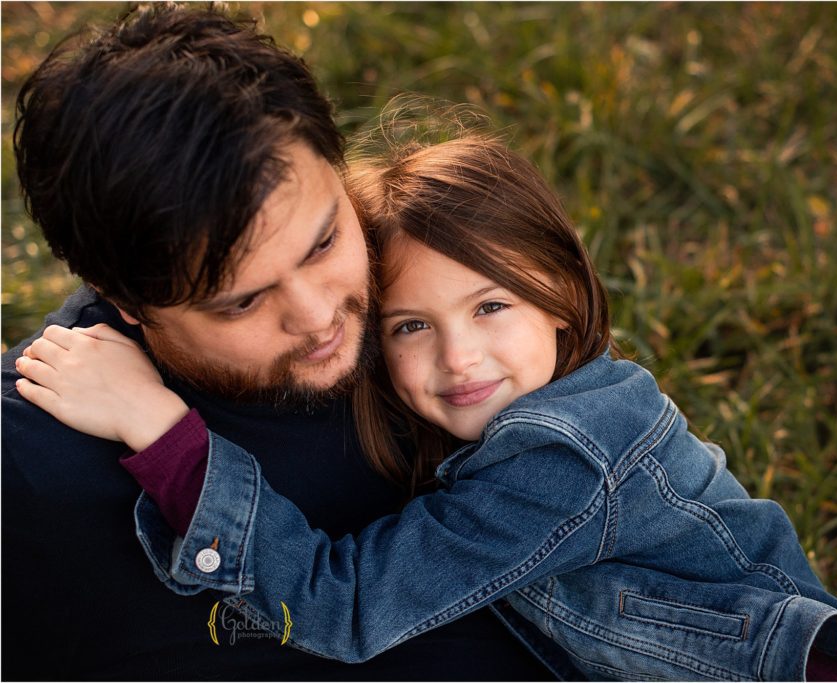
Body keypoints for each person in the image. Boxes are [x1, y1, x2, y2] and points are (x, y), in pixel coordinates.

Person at [15, 130, 837, 681]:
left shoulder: (564, 453)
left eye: (491, 306)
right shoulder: (501, 406)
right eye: (407, 325)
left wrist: (164, 432)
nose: (458, 357)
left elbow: (345, 606)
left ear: (562, 292)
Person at [1, 5, 553, 680]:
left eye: (324, 241)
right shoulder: (30, 470)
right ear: (124, 300)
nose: (319, 315)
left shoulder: (443, 290)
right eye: (243, 300)